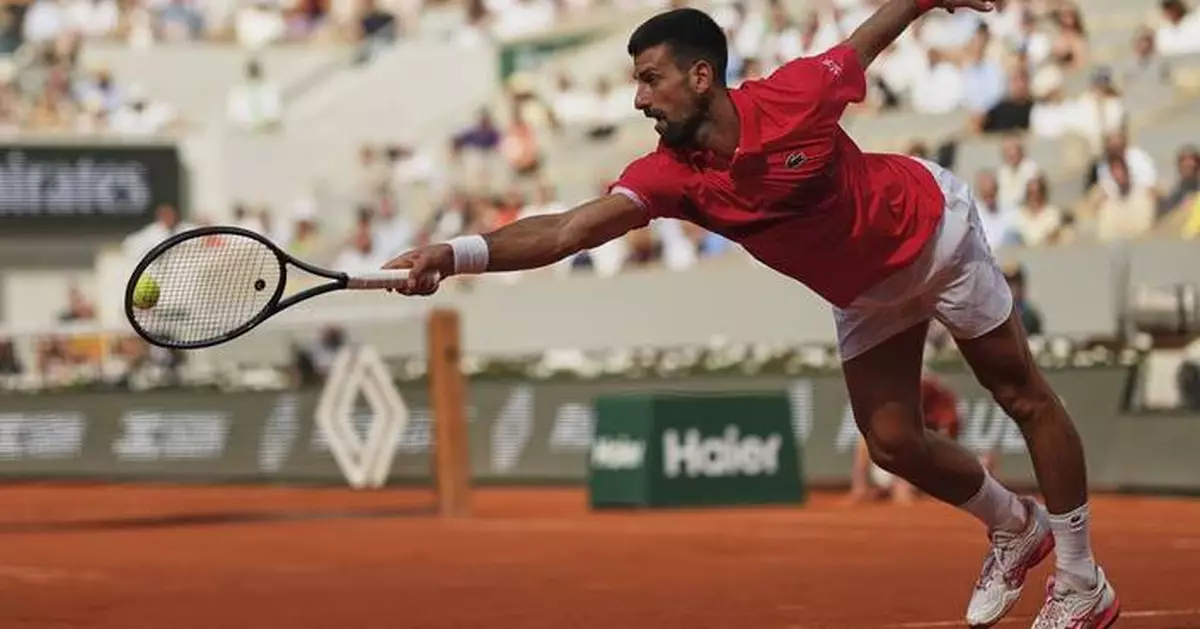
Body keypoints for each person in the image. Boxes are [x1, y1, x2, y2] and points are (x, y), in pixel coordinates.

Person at [380, 2, 1119, 627]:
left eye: (650, 79)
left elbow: (865, 41)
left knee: (1021, 394)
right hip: (862, 293)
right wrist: (456, 251)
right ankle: (1014, 525)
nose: (639, 99)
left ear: (702, 77)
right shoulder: (669, 175)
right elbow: (568, 230)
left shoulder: (794, 96)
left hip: (933, 236)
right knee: (892, 441)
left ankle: (1084, 580)